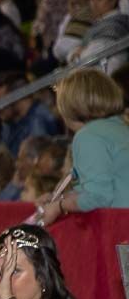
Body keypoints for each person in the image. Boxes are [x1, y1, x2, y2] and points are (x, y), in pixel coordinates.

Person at [39, 68, 129, 222]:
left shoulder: (88, 136)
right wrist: (63, 198)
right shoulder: (120, 127)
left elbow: (98, 197)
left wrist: (60, 206)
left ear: (68, 106)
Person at [0, 71, 60, 158]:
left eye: (0, 100)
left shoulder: (39, 120)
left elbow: (35, 165)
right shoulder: (10, 122)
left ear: (18, 96)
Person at [71, 0, 129, 73]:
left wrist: (77, 54)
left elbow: (87, 58)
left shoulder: (115, 25)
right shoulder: (100, 23)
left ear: (113, 0)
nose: (93, 3)